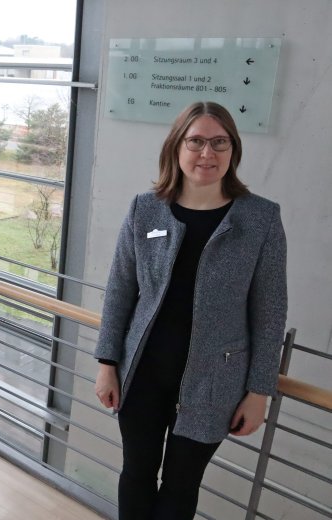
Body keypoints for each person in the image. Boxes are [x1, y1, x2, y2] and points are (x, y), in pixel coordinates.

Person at [93, 102, 287, 520]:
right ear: (176, 148)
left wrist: (259, 393)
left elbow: (270, 314)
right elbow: (120, 291)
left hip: (214, 384)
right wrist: (107, 362)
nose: (207, 153)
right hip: (141, 373)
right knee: (137, 474)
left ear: (233, 150)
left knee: (181, 486)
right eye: (196, 141)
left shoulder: (260, 219)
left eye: (220, 142)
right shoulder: (145, 208)